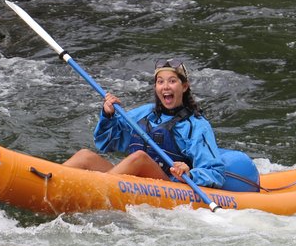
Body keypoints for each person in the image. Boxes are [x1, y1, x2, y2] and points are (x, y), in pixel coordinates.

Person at [63, 58, 225, 188]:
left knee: (140, 158)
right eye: (160, 82)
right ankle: (47, 180)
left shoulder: (196, 125)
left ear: (184, 87)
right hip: (132, 182)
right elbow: (106, 143)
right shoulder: (145, 113)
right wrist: (108, 115)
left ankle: (92, 191)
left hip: (170, 187)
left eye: (172, 81)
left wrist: (189, 173)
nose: (165, 87)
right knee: (84, 156)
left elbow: (215, 172)